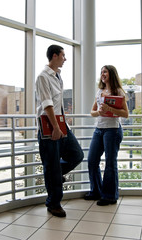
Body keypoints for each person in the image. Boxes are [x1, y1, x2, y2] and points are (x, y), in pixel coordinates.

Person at [36, 44, 84, 217]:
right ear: (54, 56)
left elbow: (58, 105)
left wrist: (63, 125)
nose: (65, 58)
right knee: (51, 166)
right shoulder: (43, 76)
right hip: (49, 128)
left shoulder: (58, 76)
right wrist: (56, 127)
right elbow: (47, 104)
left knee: (77, 154)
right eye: (63, 55)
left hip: (62, 126)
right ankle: (54, 204)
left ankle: (55, 174)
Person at [84, 65, 129, 205]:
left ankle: (109, 196)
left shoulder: (119, 92)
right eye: (101, 72)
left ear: (111, 74)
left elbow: (126, 114)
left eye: (105, 72)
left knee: (110, 163)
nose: (102, 74)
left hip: (113, 130)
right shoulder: (100, 91)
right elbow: (92, 112)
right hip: (99, 129)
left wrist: (110, 108)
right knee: (92, 160)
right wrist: (99, 113)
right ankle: (96, 191)